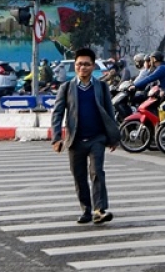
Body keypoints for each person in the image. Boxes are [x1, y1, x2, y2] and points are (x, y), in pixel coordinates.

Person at [51, 48, 121, 225]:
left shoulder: (101, 87)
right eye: (79, 64)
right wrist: (57, 137)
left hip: (96, 138)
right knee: (79, 176)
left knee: (97, 172)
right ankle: (86, 210)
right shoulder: (66, 88)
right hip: (74, 140)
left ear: (93, 66)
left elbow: (109, 113)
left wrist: (114, 137)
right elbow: (57, 113)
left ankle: (100, 210)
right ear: (74, 66)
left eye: (87, 64)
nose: (83, 67)